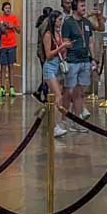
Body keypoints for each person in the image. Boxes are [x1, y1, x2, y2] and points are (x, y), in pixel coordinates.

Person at [61, 0, 97, 128]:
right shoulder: (68, 23)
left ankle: (77, 120)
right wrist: (68, 46)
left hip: (85, 60)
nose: (84, 8)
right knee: (68, 91)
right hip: (72, 60)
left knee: (80, 92)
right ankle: (64, 119)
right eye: (82, 6)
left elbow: (92, 40)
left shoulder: (86, 22)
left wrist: (93, 58)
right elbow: (64, 42)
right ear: (75, 8)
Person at [41, 9, 71, 137]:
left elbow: (60, 52)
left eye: (62, 20)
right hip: (50, 67)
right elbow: (48, 55)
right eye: (59, 20)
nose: (61, 22)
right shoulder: (48, 34)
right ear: (53, 20)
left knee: (58, 97)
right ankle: (53, 126)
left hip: (58, 65)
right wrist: (60, 46)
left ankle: (53, 122)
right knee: (57, 96)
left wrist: (65, 48)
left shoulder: (58, 33)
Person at [0, 1, 20, 97]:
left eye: (9, 8)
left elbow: (19, 31)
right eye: (6, 8)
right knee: (3, 66)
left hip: (12, 44)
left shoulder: (14, 18)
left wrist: (13, 26)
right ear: (3, 9)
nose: (8, 9)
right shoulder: (0, 18)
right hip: (2, 45)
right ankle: (2, 87)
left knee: (11, 66)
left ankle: (11, 87)